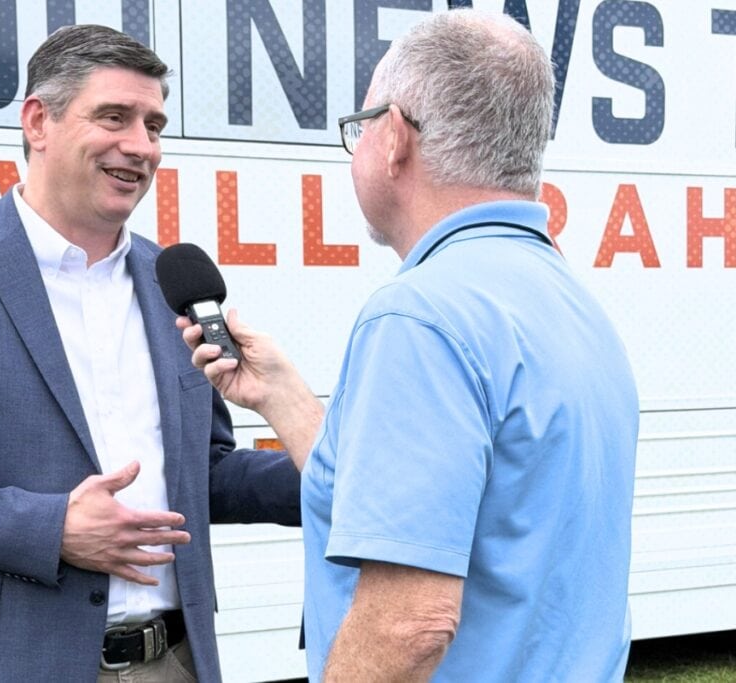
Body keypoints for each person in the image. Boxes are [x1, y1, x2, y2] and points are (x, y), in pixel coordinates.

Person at [181, 9, 639, 682]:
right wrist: (281, 396)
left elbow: (410, 624)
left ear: (395, 137)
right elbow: (436, 509)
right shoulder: (568, 301)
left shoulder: (421, 315)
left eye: (359, 128)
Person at [0, 24, 300, 682]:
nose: (140, 146)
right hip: (0, 664)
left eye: (153, 124)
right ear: (38, 121)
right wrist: (51, 526)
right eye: (114, 116)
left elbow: (206, 475)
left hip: (172, 661)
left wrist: (336, 467)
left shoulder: (172, 280)